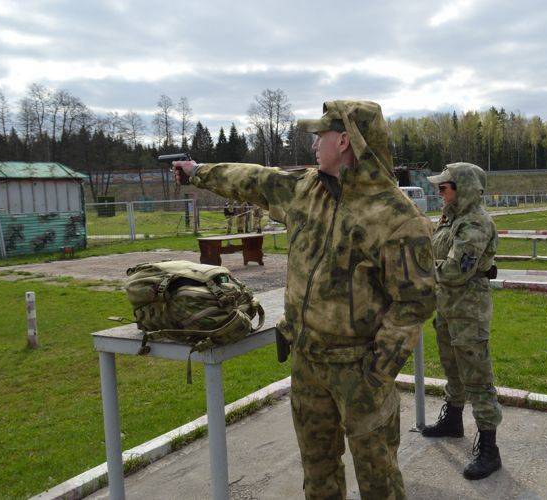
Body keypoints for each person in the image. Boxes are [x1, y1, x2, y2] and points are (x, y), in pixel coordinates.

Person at [173, 100, 436, 499]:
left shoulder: (395, 217)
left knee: (379, 479)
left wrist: (376, 373)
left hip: (359, 370)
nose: (314, 143)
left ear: (345, 140)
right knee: (317, 473)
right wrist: (197, 172)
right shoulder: (306, 191)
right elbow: (254, 179)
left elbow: (414, 303)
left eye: (321, 135)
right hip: (308, 363)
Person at [422, 162, 503, 480]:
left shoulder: (475, 224)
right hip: (447, 308)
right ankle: (454, 420)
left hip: (469, 313)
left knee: (478, 378)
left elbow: (457, 270)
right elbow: (437, 253)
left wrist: (422, 272)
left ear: (464, 189)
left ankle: (490, 449)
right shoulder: (451, 219)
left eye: (444, 187)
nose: (438, 192)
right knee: (451, 367)